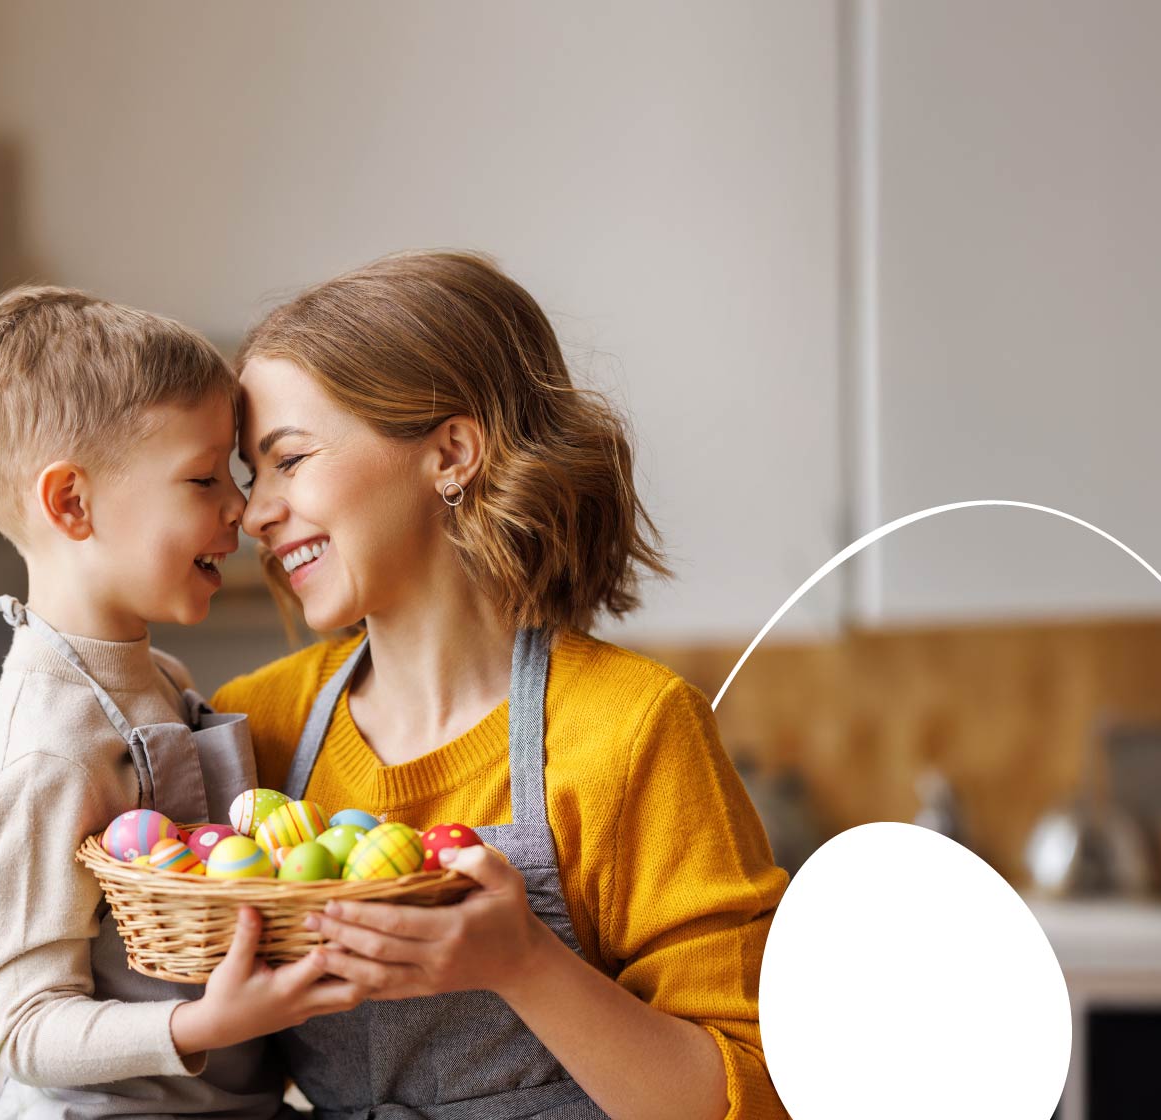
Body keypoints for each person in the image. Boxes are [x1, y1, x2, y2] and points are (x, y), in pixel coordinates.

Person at [213, 251, 791, 1120]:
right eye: (253, 479)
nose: (256, 512)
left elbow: (748, 1093)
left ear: (450, 452)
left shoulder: (629, 730)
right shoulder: (256, 724)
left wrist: (522, 961)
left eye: (290, 460)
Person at [0, 286, 360, 1119]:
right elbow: (25, 1027)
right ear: (71, 504)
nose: (242, 506)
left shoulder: (157, 675)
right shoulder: (48, 744)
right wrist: (203, 1022)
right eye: (203, 478)